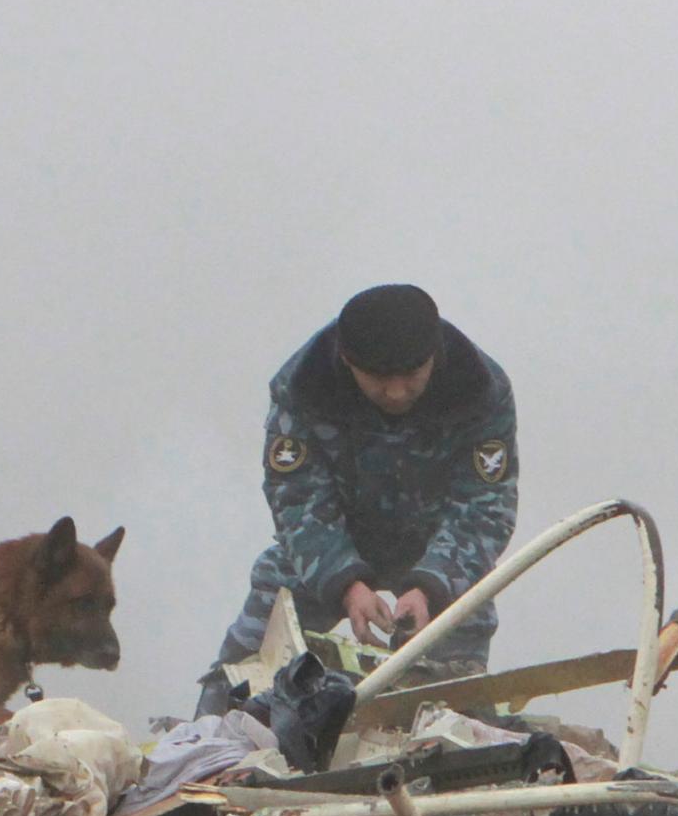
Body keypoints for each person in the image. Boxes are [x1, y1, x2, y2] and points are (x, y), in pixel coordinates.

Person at [199, 284, 518, 714]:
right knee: (243, 669)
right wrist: (346, 584)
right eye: (380, 380)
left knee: (455, 690)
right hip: (329, 548)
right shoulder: (303, 386)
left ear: (434, 357)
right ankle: (206, 747)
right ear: (348, 362)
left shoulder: (481, 389)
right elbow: (296, 499)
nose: (397, 392)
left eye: (411, 375)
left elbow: (486, 505)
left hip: (440, 553)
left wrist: (428, 586)